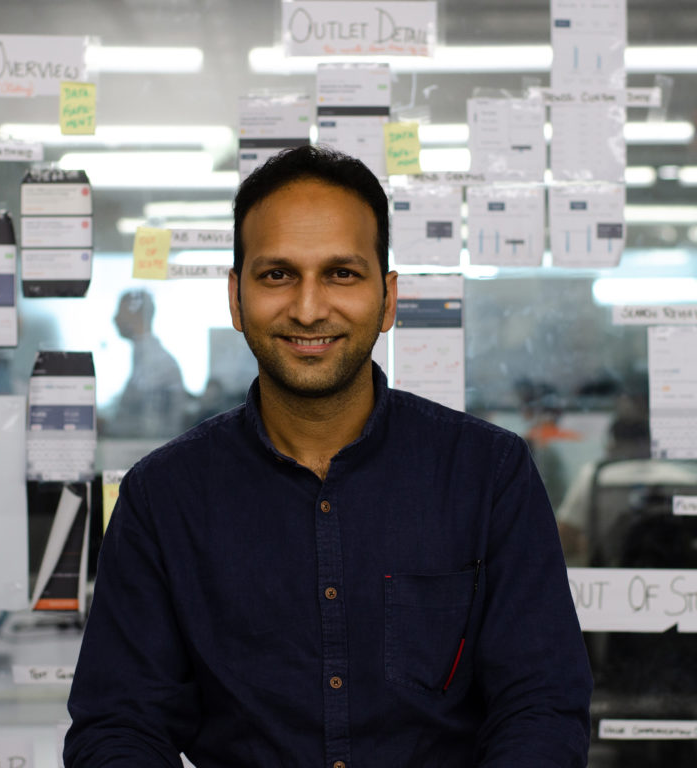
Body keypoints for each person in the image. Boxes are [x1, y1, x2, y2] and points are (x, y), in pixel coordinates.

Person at [64, 146, 592, 767]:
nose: (309, 308)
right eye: (277, 275)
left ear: (388, 299)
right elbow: (119, 725)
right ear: (235, 298)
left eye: (341, 273)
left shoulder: (487, 475)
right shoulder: (163, 497)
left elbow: (541, 709)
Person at [102, 289, 190, 438]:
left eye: (120, 312)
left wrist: (109, 428)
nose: (115, 318)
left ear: (136, 315)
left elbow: (150, 427)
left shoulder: (157, 362)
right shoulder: (144, 357)